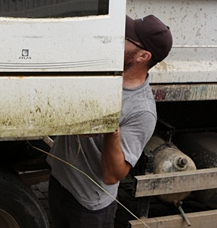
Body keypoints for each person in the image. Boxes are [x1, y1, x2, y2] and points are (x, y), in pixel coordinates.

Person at [47, 15, 173, 228]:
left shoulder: (142, 111)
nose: (116, 39)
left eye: (124, 38)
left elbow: (112, 175)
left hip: (89, 205)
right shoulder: (103, 70)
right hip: (59, 181)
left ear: (143, 56)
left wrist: (110, 128)